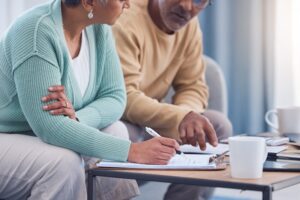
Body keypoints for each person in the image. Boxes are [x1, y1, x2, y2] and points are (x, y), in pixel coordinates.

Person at [0, 0, 180, 199]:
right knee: (63, 163)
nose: (128, 3)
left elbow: (115, 97)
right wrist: (131, 151)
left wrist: (76, 118)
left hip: (34, 134)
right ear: (88, 2)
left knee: (117, 130)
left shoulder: (98, 29)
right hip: (6, 135)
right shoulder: (34, 31)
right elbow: (48, 126)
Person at [112, 0, 233, 199]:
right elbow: (124, 97)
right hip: (123, 116)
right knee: (123, 133)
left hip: (156, 119)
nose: (187, 7)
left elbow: (192, 85)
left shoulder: (190, 26)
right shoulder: (125, 19)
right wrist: (182, 116)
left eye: (199, 1)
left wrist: (187, 116)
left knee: (217, 126)